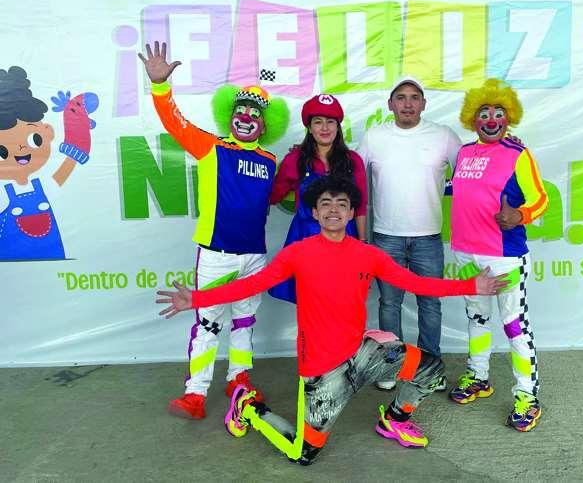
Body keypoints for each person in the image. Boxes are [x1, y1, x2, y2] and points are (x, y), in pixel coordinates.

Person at [156, 176, 508, 465]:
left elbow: (417, 284)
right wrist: (196, 299)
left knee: (431, 370)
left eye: (342, 204)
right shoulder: (298, 253)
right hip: (323, 371)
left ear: (352, 211)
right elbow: (251, 285)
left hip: (363, 354)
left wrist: (471, 286)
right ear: (315, 212)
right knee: (303, 453)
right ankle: (247, 407)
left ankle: (394, 420)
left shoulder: (369, 254)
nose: (334, 210)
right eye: (326, 203)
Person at [139, 42, 290, 419]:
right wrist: (160, 86)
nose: (246, 117)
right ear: (229, 116)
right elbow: (175, 123)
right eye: (240, 111)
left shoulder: (270, 160)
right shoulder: (211, 147)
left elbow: (272, 198)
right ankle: (195, 394)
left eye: (254, 114)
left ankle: (238, 378)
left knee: (245, 321)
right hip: (216, 254)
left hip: (254, 257)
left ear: (265, 124)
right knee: (208, 322)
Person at [448, 78, 548, 432]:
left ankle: (527, 396)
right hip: (466, 254)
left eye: (499, 112)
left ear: (509, 117)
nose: (491, 120)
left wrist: (519, 215)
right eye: (484, 113)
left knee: (514, 325)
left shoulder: (518, 154)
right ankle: (478, 376)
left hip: (504, 256)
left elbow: (541, 198)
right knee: (476, 318)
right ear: (472, 118)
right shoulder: (463, 153)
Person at [356, 76, 462, 390]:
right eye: (400, 97)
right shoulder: (374, 137)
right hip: (385, 236)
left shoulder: (443, 136)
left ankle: (430, 369)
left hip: (428, 237)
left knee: (430, 304)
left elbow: (471, 169)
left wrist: (501, 149)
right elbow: (349, 172)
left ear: (423, 104)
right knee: (389, 304)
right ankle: (392, 367)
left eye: (414, 97)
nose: (407, 103)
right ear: (390, 104)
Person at [268, 93, 368, 303]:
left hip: (344, 240)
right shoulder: (295, 159)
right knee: (309, 301)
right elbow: (273, 195)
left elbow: (360, 207)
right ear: (309, 127)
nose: (324, 128)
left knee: (341, 301)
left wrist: (362, 243)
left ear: (338, 126)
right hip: (305, 239)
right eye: (318, 122)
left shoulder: (353, 161)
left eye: (330, 122)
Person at [0, 66, 97, 261]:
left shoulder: (42, 182)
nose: (21, 149)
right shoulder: (3, 193)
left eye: (34, 139)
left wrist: (75, 148)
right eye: (3, 151)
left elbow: (60, 177)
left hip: (52, 261)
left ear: (48, 132)